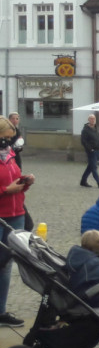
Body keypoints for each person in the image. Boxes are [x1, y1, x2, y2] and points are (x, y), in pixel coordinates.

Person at [0, 117, 32, 327]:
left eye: (10, 138)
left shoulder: (9, 154)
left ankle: (0, 311)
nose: (8, 142)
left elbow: (14, 181)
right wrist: (5, 190)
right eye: (5, 138)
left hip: (16, 213)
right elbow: (6, 186)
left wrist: (24, 183)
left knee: (5, 264)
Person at [80, 114, 99, 188]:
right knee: (94, 167)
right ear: (88, 120)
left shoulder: (97, 129)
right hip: (91, 151)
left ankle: (83, 181)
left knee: (90, 167)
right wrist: (90, 149)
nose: (92, 120)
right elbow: (83, 141)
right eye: (91, 119)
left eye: (94, 119)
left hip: (98, 150)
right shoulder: (85, 130)